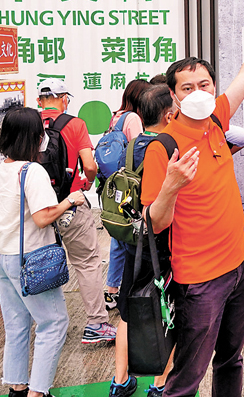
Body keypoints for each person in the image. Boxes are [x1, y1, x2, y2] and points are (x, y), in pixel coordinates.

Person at [140, 3, 244, 397]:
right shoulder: (163, 148)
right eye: (187, 87)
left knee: (232, 359)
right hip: (200, 280)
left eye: (204, 84)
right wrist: (172, 185)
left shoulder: (216, 121)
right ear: (172, 96)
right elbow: (154, 222)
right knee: (187, 377)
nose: (198, 92)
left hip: (241, 263)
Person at [0, 107, 85, 397]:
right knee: (54, 323)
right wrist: (71, 200)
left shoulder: (3, 169)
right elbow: (43, 217)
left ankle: (18, 387)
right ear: (34, 137)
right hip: (31, 258)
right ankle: (38, 392)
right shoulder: (33, 171)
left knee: (17, 324)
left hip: (2, 256)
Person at [37, 78, 116, 344]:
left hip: (38, 208)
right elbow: (90, 165)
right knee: (86, 263)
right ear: (64, 99)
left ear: (39, 100)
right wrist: (86, 185)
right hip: (71, 202)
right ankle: (96, 324)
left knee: (39, 262)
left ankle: (46, 325)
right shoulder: (75, 124)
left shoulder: (28, 124)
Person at [109, 85, 175, 397]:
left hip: (132, 236)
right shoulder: (166, 147)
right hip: (161, 241)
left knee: (128, 310)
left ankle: (120, 381)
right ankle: (161, 384)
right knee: (167, 310)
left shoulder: (132, 142)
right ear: (168, 113)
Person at [105, 78, 150, 310]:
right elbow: (137, 149)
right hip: (129, 186)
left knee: (118, 239)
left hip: (116, 184)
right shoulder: (133, 118)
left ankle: (112, 289)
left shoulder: (117, 115)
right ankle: (115, 289)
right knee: (125, 239)